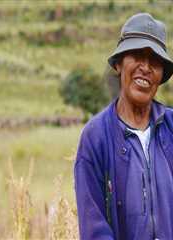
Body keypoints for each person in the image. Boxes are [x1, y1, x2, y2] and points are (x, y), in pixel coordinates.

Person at [74, 13, 173, 240]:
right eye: (137, 55)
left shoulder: (171, 127)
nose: (145, 67)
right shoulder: (96, 137)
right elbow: (94, 228)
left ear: (161, 74)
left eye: (155, 61)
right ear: (119, 63)